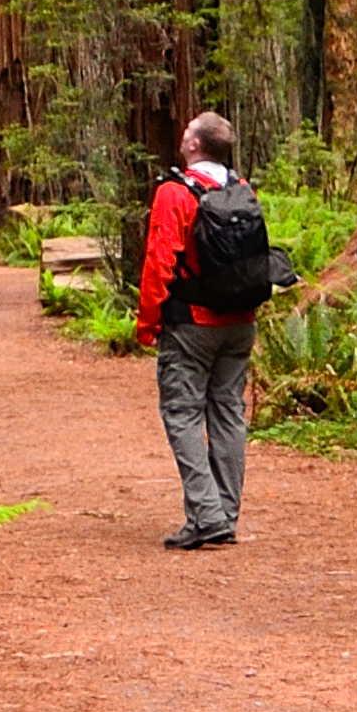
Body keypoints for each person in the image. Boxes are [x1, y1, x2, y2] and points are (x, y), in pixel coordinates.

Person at [132, 110, 276, 550]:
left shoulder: (176, 193)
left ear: (195, 145)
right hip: (240, 321)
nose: (182, 134)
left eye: (187, 129)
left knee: (183, 414)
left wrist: (148, 321)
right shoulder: (241, 188)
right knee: (229, 414)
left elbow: (161, 260)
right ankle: (222, 515)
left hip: (192, 322)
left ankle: (207, 516)